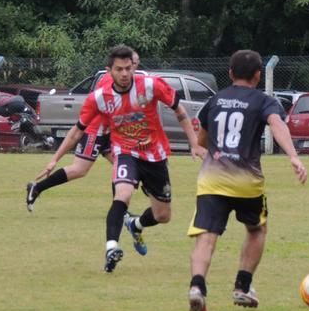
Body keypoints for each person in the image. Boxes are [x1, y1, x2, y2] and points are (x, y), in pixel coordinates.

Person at [33, 45, 204, 272]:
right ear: (109, 71)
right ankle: (111, 247)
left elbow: (179, 110)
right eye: (118, 69)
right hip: (125, 153)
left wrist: (194, 143)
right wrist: (54, 159)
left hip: (155, 156)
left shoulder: (151, 85)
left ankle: (136, 224)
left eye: (127, 68)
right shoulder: (99, 98)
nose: (124, 74)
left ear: (133, 67)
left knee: (163, 216)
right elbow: (77, 131)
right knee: (122, 194)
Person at [187, 49, 307, 311]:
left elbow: (201, 141)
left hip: (211, 180)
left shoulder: (215, 100)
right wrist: (293, 156)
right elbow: (277, 125)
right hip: (247, 182)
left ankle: (197, 287)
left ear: (230, 74)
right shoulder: (264, 101)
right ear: (257, 75)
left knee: (206, 238)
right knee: (256, 229)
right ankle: (242, 286)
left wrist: (206, 147)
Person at [25, 53, 141, 212]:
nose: (131, 70)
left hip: (108, 132)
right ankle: (37, 188)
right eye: (130, 65)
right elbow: (101, 107)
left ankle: (120, 210)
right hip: (96, 131)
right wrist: (55, 159)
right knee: (79, 170)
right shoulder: (109, 80)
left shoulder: (130, 82)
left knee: (122, 165)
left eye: (134, 65)